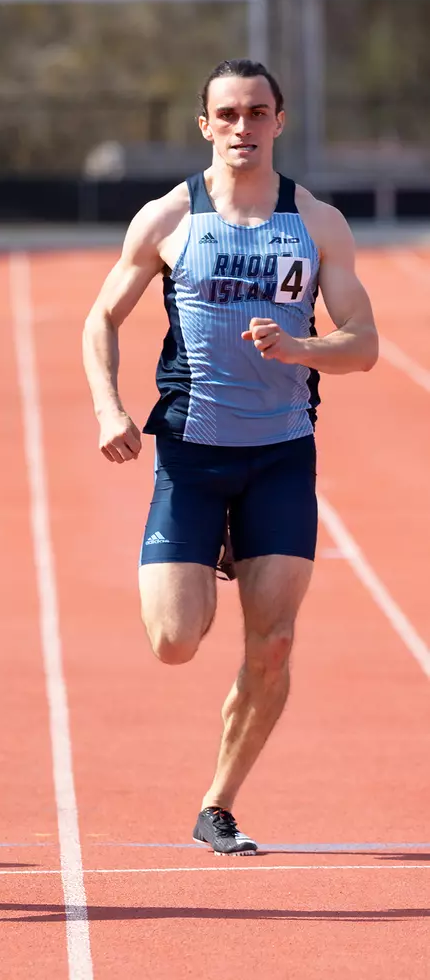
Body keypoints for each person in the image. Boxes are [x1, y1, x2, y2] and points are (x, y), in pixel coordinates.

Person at [82, 59, 378, 855]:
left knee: (274, 642)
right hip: (191, 455)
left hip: (282, 455)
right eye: (228, 114)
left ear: (280, 121)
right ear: (204, 124)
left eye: (257, 112)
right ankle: (210, 548)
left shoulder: (317, 224)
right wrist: (111, 407)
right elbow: (100, 319)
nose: (242, 127)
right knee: (175, 642)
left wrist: (300, 346)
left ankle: (218, 802)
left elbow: (365, 346)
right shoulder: (168, 218)